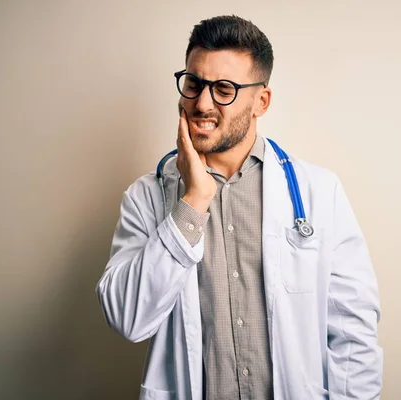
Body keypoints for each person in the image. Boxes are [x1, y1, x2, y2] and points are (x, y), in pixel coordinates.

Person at [96, 15, 383, 400]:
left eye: (224, 89)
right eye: (194, 83)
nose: (202, 103)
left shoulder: (319, 192)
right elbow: (128, 319)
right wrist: (193, 202)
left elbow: (353, 332)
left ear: (261, 101)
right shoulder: (146, 198)